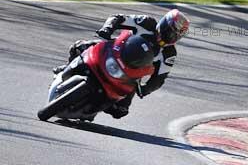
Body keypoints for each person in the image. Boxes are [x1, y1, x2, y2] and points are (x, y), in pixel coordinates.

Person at [54, 8, 190, 118]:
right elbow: (118, 18)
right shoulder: (146, 22)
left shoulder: (169, 54)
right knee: (79, 46)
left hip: (130, 75)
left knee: (120, 110)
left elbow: (160, 77)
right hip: (114, 50)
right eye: (169, 31)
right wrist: (107, 29)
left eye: (174, 35)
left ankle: (94, 106)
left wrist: (145, 89)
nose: (169, 36)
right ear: (164, 23)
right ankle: (67, 68)